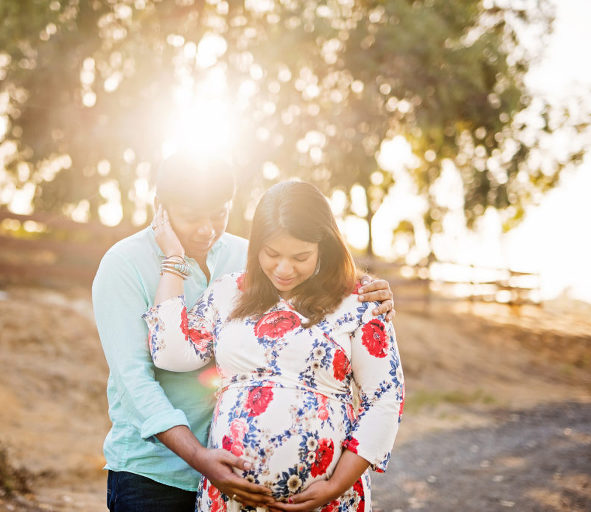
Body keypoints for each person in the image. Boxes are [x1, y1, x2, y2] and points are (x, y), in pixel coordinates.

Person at [92, 154, 396, 512]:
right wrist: (172, 260)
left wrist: (370, 296)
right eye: (192, 217)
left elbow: (382, 392)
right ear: (160, 207)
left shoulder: (248, 259)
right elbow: (136, 380)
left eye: (219, 214)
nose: (206, 229)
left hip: (229, 479)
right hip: (155, 475)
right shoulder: (124, 264)